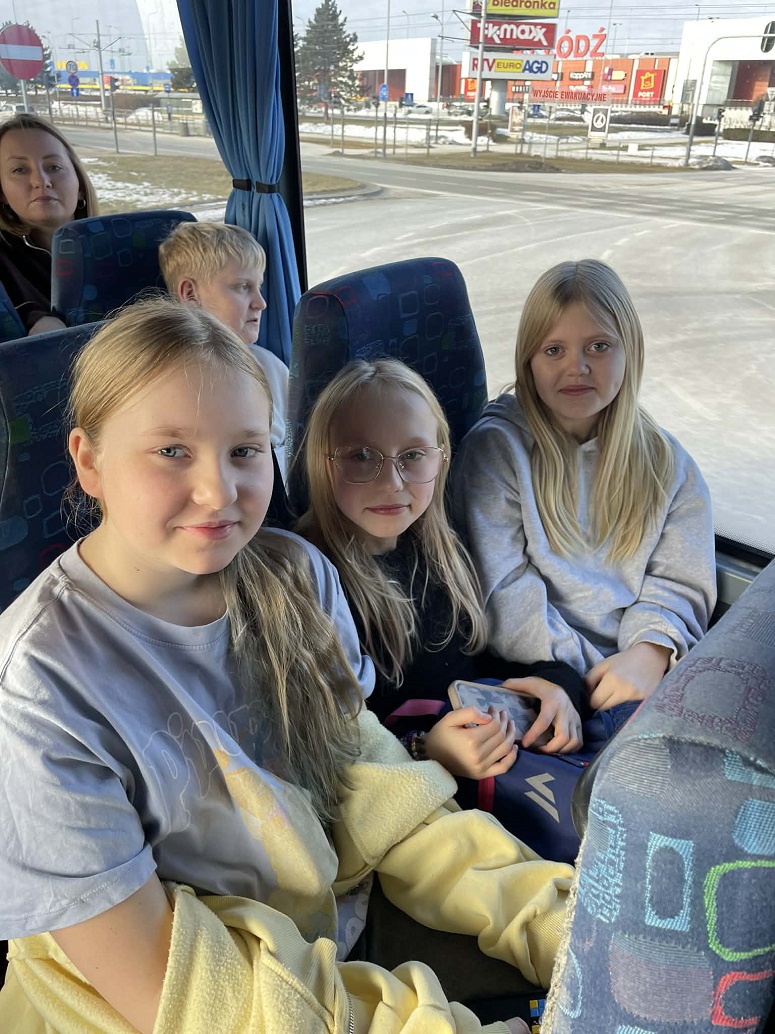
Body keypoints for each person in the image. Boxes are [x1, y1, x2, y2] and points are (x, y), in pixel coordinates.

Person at [0, 297, 572, 1034]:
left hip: (323, 919)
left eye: (244, 450)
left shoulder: (296, 578)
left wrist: (559, 923)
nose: (219, 492)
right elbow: (170, 989)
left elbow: (366, 780)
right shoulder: (37, 689)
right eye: (171, 451)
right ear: (89, 462)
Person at [295, 359, 587, 789]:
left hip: (488, 749)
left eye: (413, 455)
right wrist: (426, 750)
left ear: (441, 457)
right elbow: (335, 749)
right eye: (361, 456)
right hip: (412, 786)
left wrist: (555, 684)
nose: (393, 482)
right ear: (322, 464)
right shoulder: (313, 584)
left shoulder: (440, 552)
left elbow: (476, 662)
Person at [451, 259, 716, 721]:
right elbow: (504, 599)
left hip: (639, 669)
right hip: (538, 670)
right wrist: (600, 677)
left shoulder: (665, 463)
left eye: (599, 346)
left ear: (630, 351)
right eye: (553, 350)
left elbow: (678, 582)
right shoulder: (495, 453)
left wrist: (651, 651)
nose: (576, 367)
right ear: (528, 361)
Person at [159, 220, 290, 477]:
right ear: (191, 294)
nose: (260, 303)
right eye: (243, 287)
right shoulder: (169, 382)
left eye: (259, 287)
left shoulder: (271, 367)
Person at [0, 113, 98, 335]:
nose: (41, 181)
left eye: (54, 167)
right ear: (2, 193)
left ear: (80, 186)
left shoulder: (125, 246)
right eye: (19, 170)